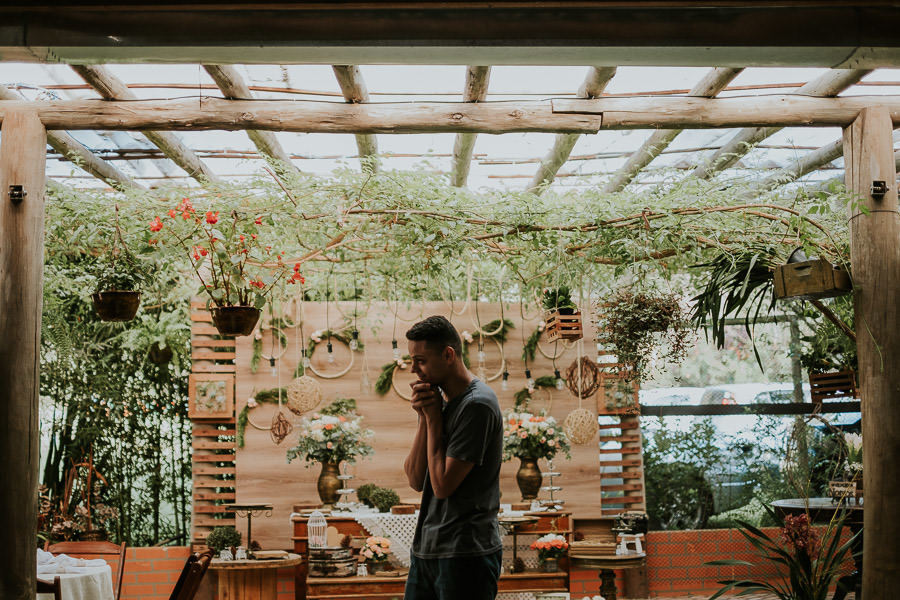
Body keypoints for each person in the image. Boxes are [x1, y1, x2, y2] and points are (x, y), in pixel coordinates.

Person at [402, 315, 503, 600]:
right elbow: (415, 479)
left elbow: (444, 486)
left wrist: (434, 420)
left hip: (465, 553)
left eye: (420, 360)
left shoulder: (477, 405)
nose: (414, 369)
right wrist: (425, 417)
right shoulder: (441, 403)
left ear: (448, 355)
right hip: (428, 549)